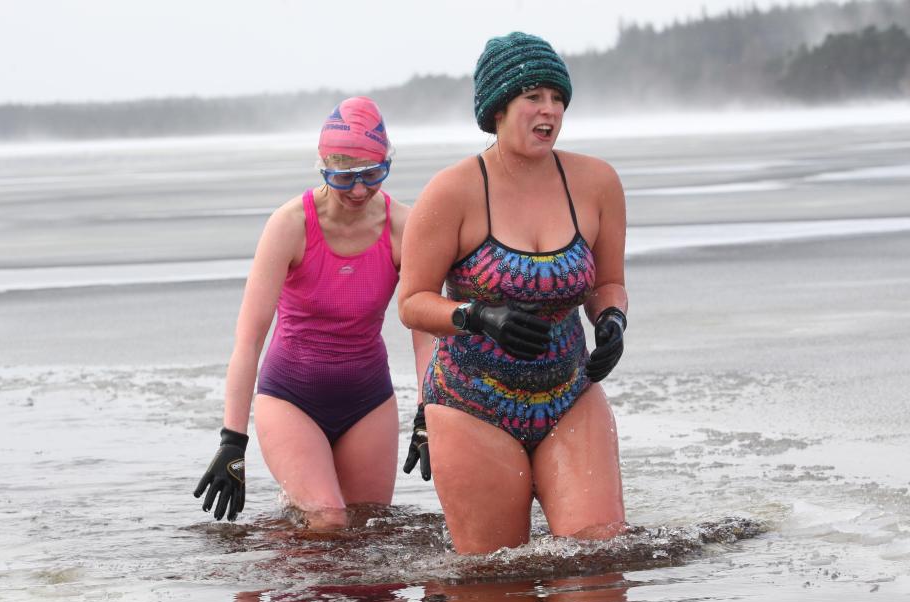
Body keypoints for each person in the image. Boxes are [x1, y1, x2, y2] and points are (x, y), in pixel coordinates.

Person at [398, 32, 629, 554]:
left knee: (600, 566)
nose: (549, 110)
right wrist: (479, 317)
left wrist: (611, 319)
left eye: (557, 98)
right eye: (534, 97)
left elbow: (608, 282)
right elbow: (412, 303)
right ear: (498, 108)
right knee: (495, 590)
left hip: (569, 391)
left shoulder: (596, 183)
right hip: (471, 402)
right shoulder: (451, 191)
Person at [194, 96, 433, 529]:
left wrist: (426, 412)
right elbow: (249, 340)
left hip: (368, 401)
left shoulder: (404, 227)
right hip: (291, 397)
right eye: (344, 178)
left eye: (372, 175)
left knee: (367, 529)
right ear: (324, 167)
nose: (359, 190)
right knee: (328, 520)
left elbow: (426, 332)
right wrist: (232, 441)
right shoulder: (289, 225)